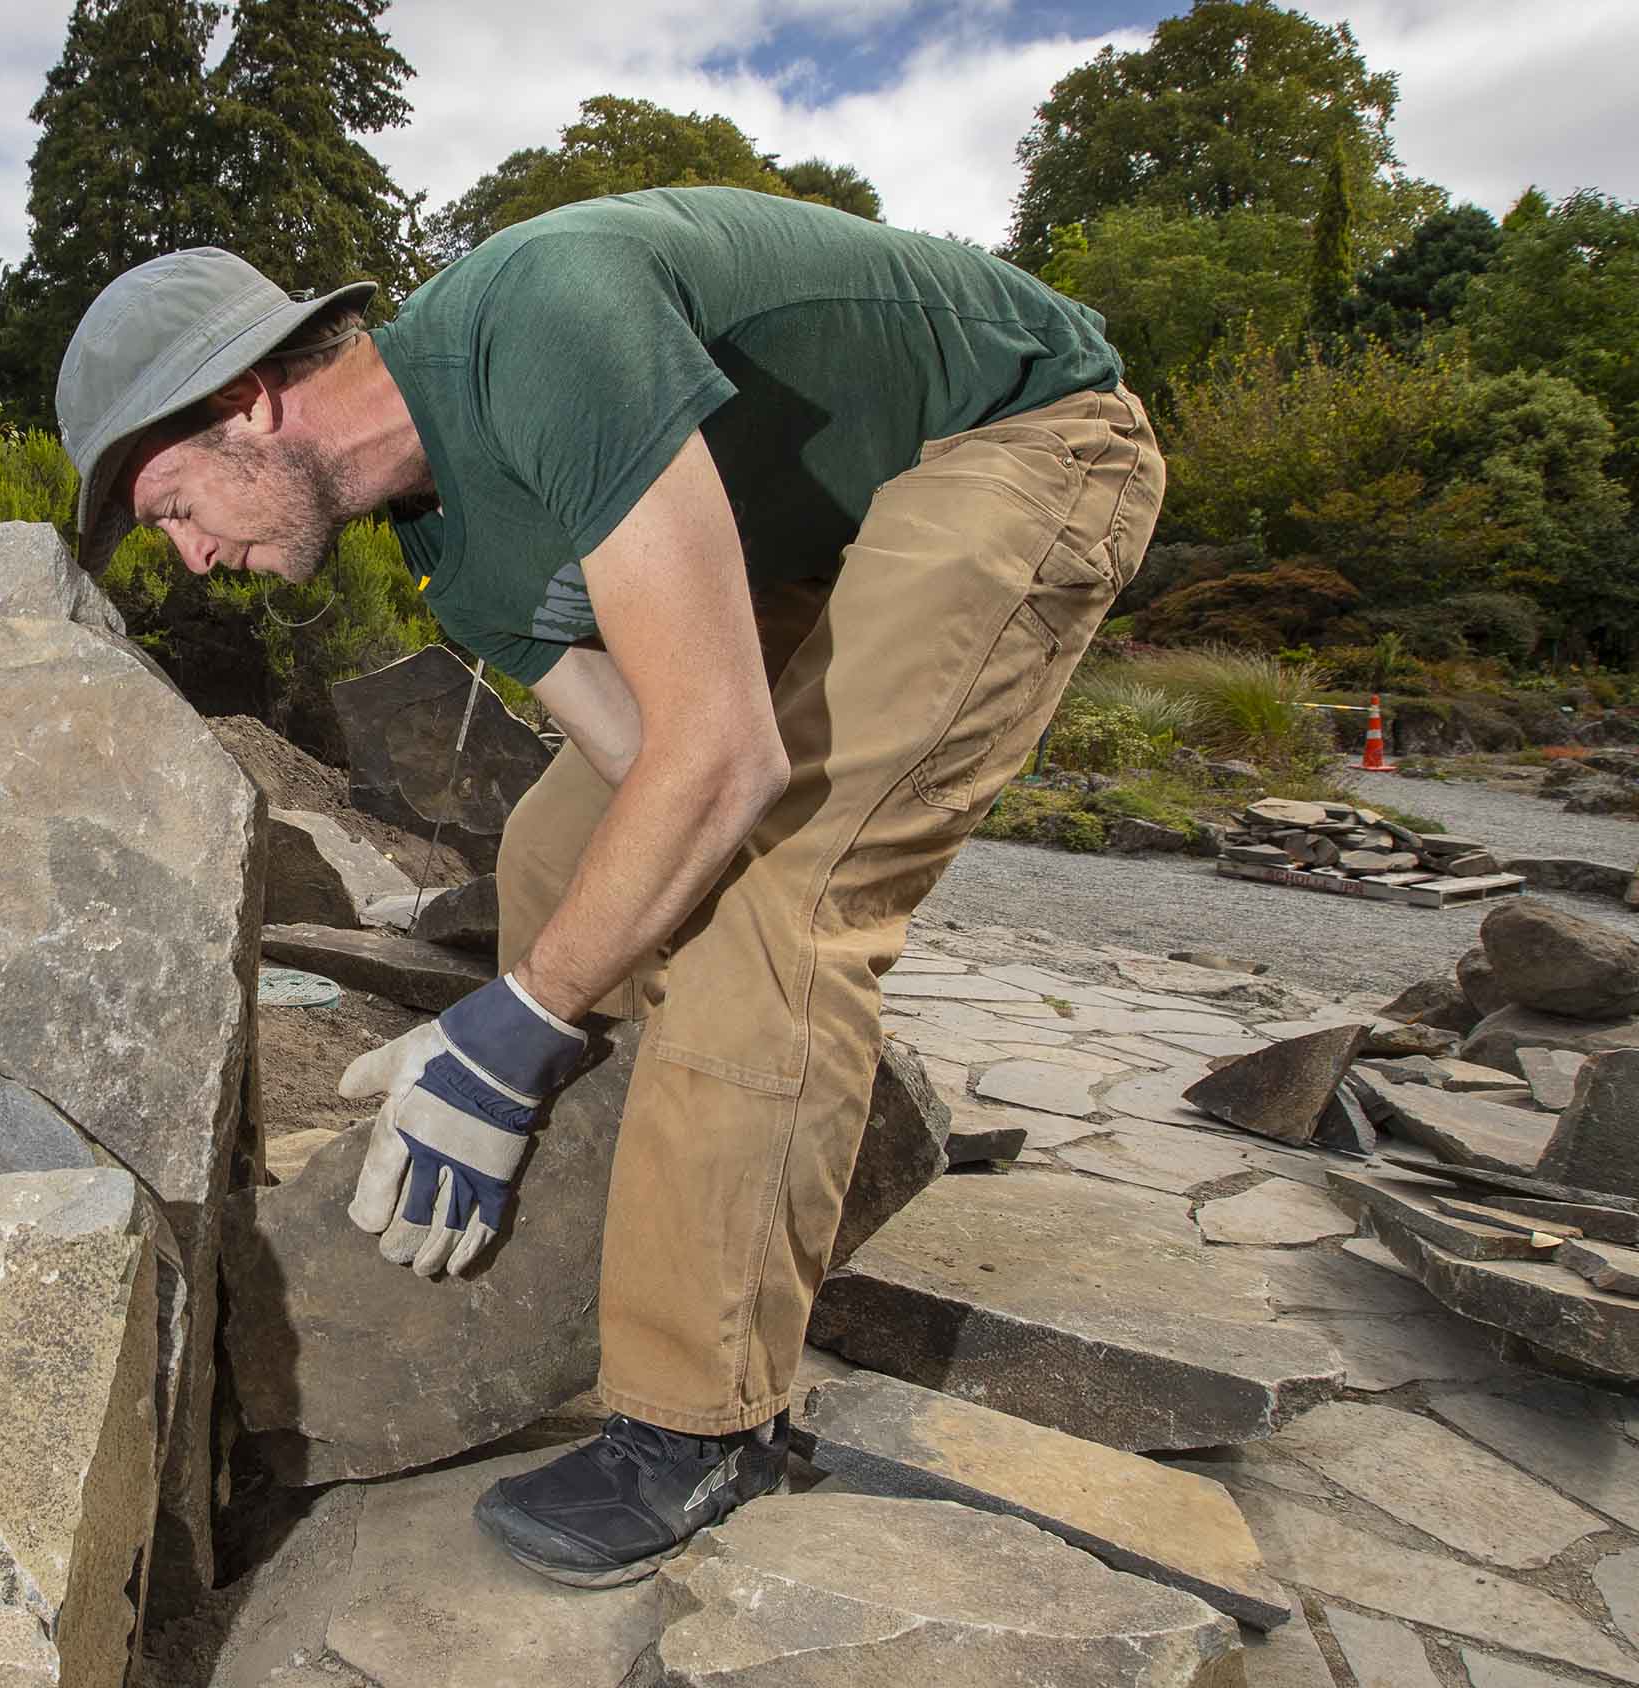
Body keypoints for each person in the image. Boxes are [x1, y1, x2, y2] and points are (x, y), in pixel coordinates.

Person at [58, 187, 1161, 1587]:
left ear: (248, 401)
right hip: (812, 535)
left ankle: (705, 1426)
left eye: (171, 507)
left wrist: (514, 1024)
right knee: (554, 849)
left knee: (783, 911)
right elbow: (642, 759)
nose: (192, 557)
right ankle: (657, 1164)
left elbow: (722, 760)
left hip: (1017, 443)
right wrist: (541, 1005)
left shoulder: (548, 317)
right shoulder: (449, 549)